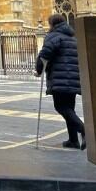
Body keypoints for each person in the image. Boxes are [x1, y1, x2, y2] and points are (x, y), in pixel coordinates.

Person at [34, 14, 85, 150]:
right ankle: (73, 140)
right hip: (73, 78)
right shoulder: (73, 38)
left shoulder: (54, 36)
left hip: (59, 77)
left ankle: (83, 130)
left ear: (52, 24)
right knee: (70, 108)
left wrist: (38, 70)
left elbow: (45, 54)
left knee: (61, 107)